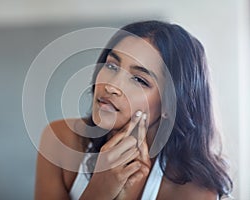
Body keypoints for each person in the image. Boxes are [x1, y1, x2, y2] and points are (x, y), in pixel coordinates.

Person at [34, 20, 232, 200]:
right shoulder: (60, 140)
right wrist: (99, 189)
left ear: (170, 106)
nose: (111, 86)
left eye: (139, 80)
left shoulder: (193, 191)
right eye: (111, 65)